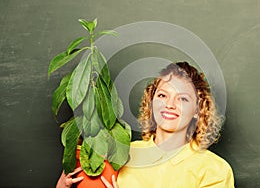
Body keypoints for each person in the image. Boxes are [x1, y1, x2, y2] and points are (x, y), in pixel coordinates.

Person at [56, 61, 235, 188]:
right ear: (152, 101)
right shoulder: (122, 153)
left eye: (182, 98)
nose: (170, 104)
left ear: (198, 109)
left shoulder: (214, 170)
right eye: (162, 95)